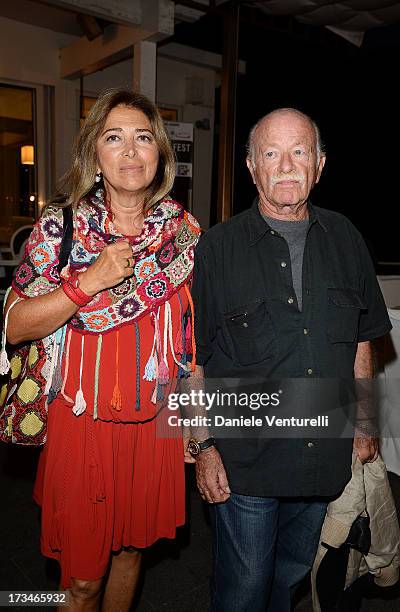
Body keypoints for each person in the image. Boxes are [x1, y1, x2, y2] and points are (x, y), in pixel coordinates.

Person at [4, 88, 200, 611]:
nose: (130, 151)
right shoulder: (60, 227)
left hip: (154, 429)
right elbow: (16, 325)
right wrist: (86, 281)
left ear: (160, 154)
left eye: (142, 138)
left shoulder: (181, 233)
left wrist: (192, 427)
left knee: (132, 553)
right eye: (114, 138)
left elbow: (187, 340)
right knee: (83, 581)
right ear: (95, 154)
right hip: (83, 426)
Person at [189, 108, 391, 611]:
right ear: (251, 166)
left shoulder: (347, 238)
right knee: (244, 591)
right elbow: (190, 359)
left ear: (319, 165)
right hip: (246, 461)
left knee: (291, 579)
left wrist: (363, 424)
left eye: (299, 151)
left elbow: (363, 339)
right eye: (271, 153)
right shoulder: (215, 249)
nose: (286, 165)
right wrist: (202, 445)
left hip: (324, 454)